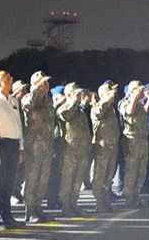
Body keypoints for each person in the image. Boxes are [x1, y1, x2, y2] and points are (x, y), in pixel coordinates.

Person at [0, 70, 24, 228]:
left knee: (9, 182)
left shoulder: (13, 101)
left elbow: (19, 125)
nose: (11, 80)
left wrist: (21, 147)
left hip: (14, 144)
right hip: (1, 144)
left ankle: (7, 215)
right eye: (8, 79)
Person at [20, 71, 55, 222]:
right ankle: (30, 211)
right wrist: (36, 89)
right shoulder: (29, 97)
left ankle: (38, 208)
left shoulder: (48, 100)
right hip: (33, 146)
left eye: (47, 83)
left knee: (43, 179)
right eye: (43, 83)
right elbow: (29, 105)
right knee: (32, 180)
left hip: (46, 145)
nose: (47, 86)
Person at [57, 83, 92, 216]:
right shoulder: (63, 108)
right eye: (76, 94)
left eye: (79, 94)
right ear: (69, 94)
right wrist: (73, 101)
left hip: (82, 150)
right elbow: (66, 116)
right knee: (68, 179)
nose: (79, 96)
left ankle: (74, 204)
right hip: (69, 150)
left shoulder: (80, 110)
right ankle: (66, 207)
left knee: (78, 179)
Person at [119, 81, 149, 208]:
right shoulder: (125, 102)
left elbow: (145, 111)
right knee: (132, 170)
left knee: (141, 171)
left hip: (142, 140)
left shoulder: (139, 104)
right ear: (133, 90)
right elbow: (129, 112)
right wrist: (134, 96)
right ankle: (129, 199)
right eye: (139, 89)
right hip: (132, 140)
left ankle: (136, 196)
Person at [90, 81, 119, 213]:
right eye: (110, 92)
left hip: (112, 146)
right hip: (102, 147)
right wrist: (105, 100)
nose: (114, 94)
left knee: (108, 176)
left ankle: (106, 201)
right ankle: (100, 203)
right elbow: (98, 113)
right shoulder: (98, 106)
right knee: (99, 177)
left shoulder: (111, 108)